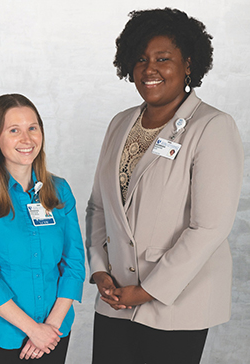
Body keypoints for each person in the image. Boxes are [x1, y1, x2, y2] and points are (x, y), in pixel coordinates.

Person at [86, 8, 244, 364]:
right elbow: (99, 206)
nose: (149, 69)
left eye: (162, 58)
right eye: (140, 59)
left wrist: (146, 291)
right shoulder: (120, 123)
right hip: (115, 300)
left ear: (189, 63)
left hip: (176, 304)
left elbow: (209, 227)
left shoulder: (212, 127)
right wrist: (99, 270)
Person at [0, 94, 85, 363]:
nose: (26, 139)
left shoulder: (60, 190)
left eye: (33, 128)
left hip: (55, 334)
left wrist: (50, 328)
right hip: (1, 338)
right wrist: (33, 330)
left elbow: (74, 263)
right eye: (14, 130)